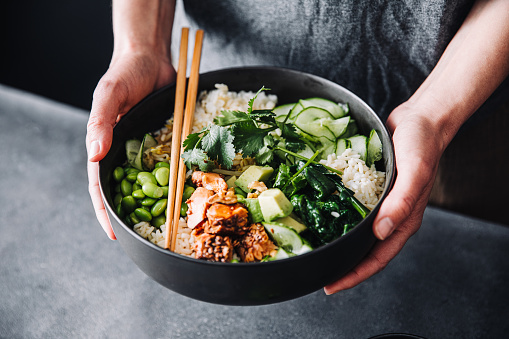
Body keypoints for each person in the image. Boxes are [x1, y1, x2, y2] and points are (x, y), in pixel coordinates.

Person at [86, 0, 509, 294]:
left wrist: (433, 116)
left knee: (463, 275)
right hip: (219, 94)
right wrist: (138, 46)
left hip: (455, 105)